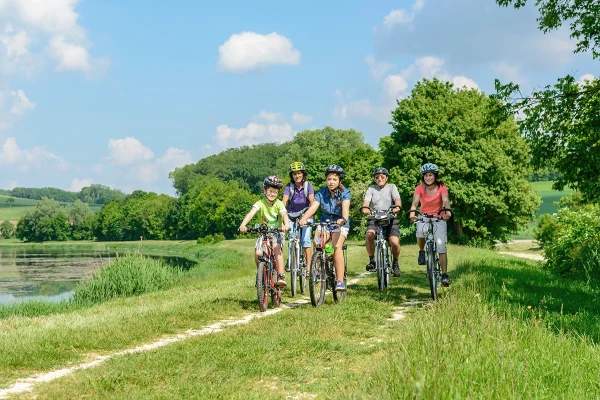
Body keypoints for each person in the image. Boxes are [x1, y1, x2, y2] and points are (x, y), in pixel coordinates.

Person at [299, 165, 350, 291]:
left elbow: (345, 209)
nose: (331, 182)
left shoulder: (345, 192)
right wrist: (304, 218)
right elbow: (313, 208)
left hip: (340, 223)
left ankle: (339, 281)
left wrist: (343, 219)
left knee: (336, 247)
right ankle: (319, 270)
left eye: (334, 179)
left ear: (339, 181)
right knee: (317, 243)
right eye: (329, 179)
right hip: (325, 223)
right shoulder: (321, 192)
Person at [239, 176, 290, 287]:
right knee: (258, 253)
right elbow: (251, 213)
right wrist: (243, 225)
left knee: (276, 248)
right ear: (265, 190)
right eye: (270, 191)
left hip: (277, 232)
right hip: (264, 232)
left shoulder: (279, 204)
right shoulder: (260, 203)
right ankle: (260, 273)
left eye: (275, 192)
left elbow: (284, 214)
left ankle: (281, 275)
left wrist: (286, 225)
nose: (272, 194)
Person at [408, 163, 452, 286]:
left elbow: (446, 201)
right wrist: (412, 213)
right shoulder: (419, 188)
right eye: (426, 175)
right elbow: (415, 203)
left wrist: (447, 212)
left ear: (435, 176)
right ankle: (421, 251)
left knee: (441, 245)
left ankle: (444, 274)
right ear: (423, 177)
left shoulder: (442, 187)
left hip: (438, 217)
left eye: (431, 175)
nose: (428, 178)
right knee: (420, 232)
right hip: (424, 217)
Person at [361, 167, 402, 277]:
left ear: (386, 178)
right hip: (375, 218)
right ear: (374, 179)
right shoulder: (371, 189)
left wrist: (397, 207)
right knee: (369, 235)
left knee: (394, 242)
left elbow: (397, 199)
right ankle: (372, 260)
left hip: (390, 218)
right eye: (377, 177)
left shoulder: (392, 187)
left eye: (382, 176)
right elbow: (366, 202)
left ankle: (395, 263)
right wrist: (365, 208)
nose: (380, 178)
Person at [282, 162, 315, 277]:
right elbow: (283, 203)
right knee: (291, 238)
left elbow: (312, 202)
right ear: (292, 175)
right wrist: (282, 215)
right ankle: (291, 260)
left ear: (303, 174)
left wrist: (307, 217)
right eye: (294, 174)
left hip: (306, 215)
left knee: (305, 240)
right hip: (291, 215)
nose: (297, 176)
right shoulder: (289, 187)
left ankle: (309, 267)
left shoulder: (308, 186)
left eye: (299, 173)